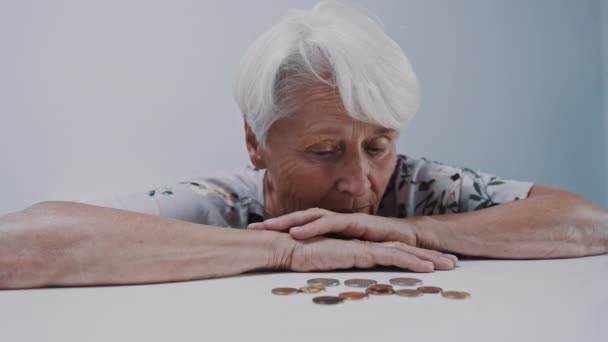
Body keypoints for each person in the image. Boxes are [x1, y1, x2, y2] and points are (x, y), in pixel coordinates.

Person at [1, 1, 606, 290]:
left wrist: (418, 231)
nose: (359, 184)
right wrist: (284, 254)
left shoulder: (421, 187)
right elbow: (14, 247)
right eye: (324, 151)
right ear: (255, 141)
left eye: (378, 145)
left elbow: (590, 224)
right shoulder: (220, 204)